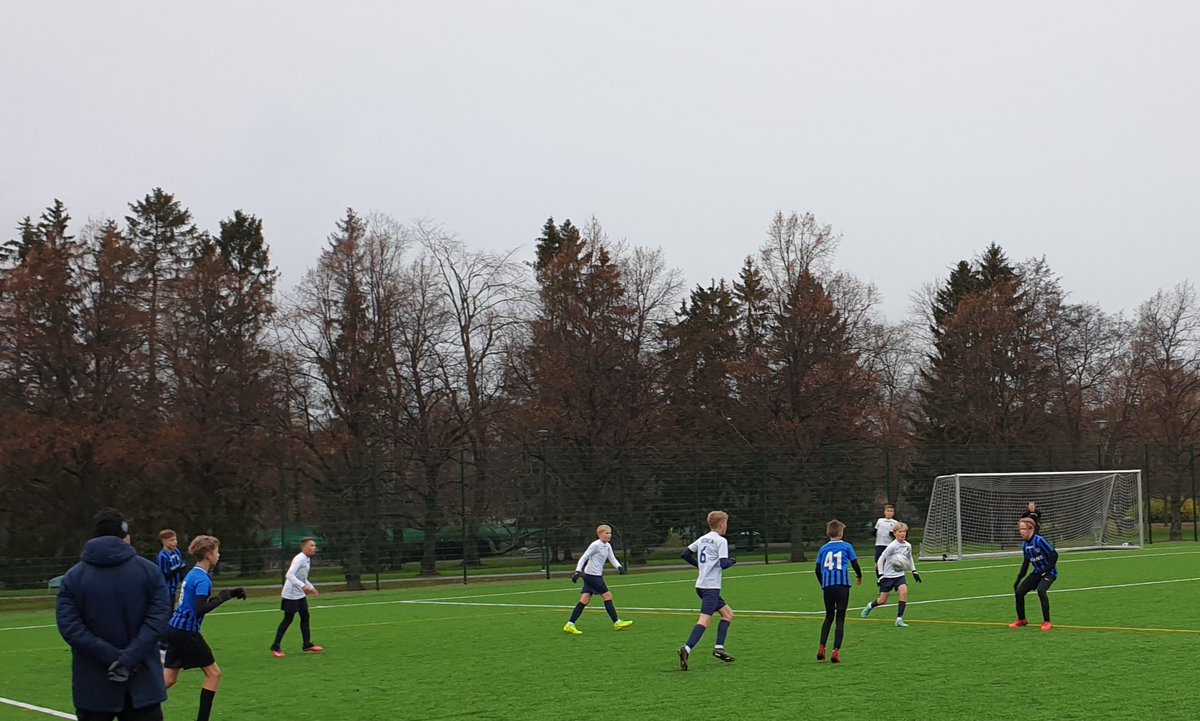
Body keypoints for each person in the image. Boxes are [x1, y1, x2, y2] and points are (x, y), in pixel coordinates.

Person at [56, 509, 172, 721]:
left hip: (93, 685)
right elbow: (159, 618)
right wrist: (128, 658)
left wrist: (110, 656)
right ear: (125, 536)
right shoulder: (149, 571)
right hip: (142, 683)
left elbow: (70, 627)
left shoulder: (73, 578)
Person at [162, 535, 245, 721]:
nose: (219, 555)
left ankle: (133, 705)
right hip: (187, 633)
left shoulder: (193, 573)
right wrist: (223, 598)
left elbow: (195, 603)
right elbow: (200, 609)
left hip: (174, 629)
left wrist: (230, 593)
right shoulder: (203, 579)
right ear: (208, 554)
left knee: (168, 680)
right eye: (216, 551)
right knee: (214, 674)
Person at [676, 510, 737, 671]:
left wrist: (700, 566)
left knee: (728, 614)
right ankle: (687, 649)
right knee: (704, 621)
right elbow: (724, 564)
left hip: (701, 586)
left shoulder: (703, 538)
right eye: (726, 524)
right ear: (722, 524)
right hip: (711, 587)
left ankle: (719, 647)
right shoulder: (720, 541)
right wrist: (733, 561)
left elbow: (685, 554)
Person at [562, 524, 633, 635]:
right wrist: (577, 571)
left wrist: (619, 567)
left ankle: (570, 624)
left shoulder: (607, 546)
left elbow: (612, 558)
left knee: (584, 600)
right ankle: (617, 622)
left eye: (610, 533)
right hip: (592, 576)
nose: (609, 535)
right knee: (607, 596)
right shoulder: (595, 545)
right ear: (599, 534)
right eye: (606, 533)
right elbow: (584, 557)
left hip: (594, 575)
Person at [815, 519, 863, 664]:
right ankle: (836, 651)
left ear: (828, 533)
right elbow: (855, 564)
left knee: (829, 616)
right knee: (840, 618)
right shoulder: (847, 546)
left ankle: (821, 647)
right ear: (841, 533)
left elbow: (817, 569)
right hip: (842, 585)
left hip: (828, 586)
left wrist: (823, 584)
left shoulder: (823, 549)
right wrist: (859, 575)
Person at [271, 537, 325, 657]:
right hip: (290, 595)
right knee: (288, 620)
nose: (314, 548)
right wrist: (302, 586)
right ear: (304, 547)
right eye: (311, 545)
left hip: (300, 594)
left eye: (315, 545)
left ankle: (307, 644)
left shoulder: (307, 559)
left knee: (305, 617)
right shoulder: (299, 559)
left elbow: (303, 577)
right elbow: (289, 574)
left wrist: (310, 587)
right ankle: (275, 647)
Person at [861, 522, 922, 627]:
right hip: (888, 576)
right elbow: (881, 559)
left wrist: (914, 571)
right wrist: (881, 575)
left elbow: (909, 558)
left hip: (899, 575)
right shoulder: (892, 546)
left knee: (904, 592)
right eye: (900, 532)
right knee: (882, 600)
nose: (902, 534)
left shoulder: (908, 546)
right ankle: (870, 606)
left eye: (904, 532)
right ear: (894, 533)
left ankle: (899, 618)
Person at [1009, 517, 1058, 631]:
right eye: (1020, 529)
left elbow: (1054, 555)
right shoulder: (1025, 546)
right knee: (1019, 592)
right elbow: (1026, 563)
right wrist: (1018, 579)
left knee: (1041, 590)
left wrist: (1047, 570)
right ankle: (1022, 619)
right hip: (1037, 572)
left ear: (1031, 529)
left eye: (1023, 529)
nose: (1021, 531)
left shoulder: (1039, 541)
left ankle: (1047, 621)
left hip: (1049, 572)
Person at [156, 530, 187, 609]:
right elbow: (164, 574)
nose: (175, 542)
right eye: (171, 540)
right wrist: (177, 568)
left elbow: (181, 563)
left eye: (175, 539)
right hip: (168, 589)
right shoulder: (162, 556)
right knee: (168, 610)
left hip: (176, 586)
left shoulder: (176, 551)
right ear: (164, 541)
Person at [872, 504, 900, 577]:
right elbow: (875, 531)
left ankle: (890, 577)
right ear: (884, 512)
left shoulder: (895, 523)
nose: (889, 512)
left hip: (889, 546)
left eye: (891, 511)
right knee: (877, 563)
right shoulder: (880, 521)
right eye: (888, 511)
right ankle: (879, 579)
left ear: (893, 513)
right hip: (879, 545)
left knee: (889, 563)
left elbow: (896, 535)